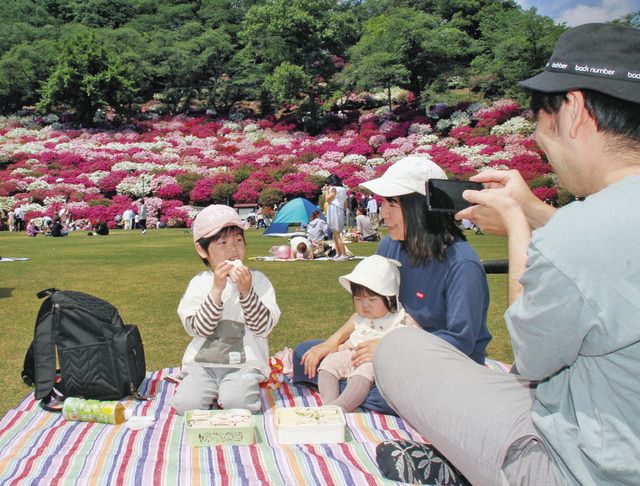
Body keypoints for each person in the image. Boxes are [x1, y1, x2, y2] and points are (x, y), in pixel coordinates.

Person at [374, 23, 640, 485]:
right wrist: (536, 211)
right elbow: (613, 261)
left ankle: (467, 465)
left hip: (581, 468)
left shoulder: (579, 233)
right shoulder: (598, 227)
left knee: (398, 350)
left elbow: (531, 358)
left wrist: (518, 228)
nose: (538, 133)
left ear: (573, 110)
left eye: (540, 111)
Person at [294, 155, 491, 414]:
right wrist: (332, 342)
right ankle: (354, 389)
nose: (383, 214)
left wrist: (390, 350)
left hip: (438, 362)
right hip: (382, 341)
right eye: (382, 203)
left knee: (394, 391)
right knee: (305, 355)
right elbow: (372, 305)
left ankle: (349, 388)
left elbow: (460, 341)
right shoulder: (390, 245)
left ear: (420, 208)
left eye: (391, 204)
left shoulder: (461, 263)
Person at [170, 204, 281, 415]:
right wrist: (217, 290)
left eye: (239, 241)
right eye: (222, 243)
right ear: (202, 250)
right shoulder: (199, 284)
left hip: (245, 364)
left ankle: (229, 391)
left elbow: (263, 327)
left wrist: (247, 292)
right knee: (185, 405)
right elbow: (198, 329)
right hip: (202, 364)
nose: (233, 250)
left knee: (238, 404)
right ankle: (211, 390)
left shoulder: (258, 281)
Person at [317, 255, 418, 412]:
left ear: (390, 298)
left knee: (365, 371)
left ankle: (340, 407)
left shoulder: (400, 320)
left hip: (375, 362)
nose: (365, 306)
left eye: (372, 300)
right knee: (328, 363)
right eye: (358, 300)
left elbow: (415, 340)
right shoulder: (361, 318)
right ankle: (328, 403)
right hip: (353, 353)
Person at [323, 174, 348, 260]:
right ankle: (339, 253)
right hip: (340, 211)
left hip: (334, 210)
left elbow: (327, 199)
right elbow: (345, 205)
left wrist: (326, 190)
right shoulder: (343, 190)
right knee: (335, 235)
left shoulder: (333, 189)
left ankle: (343, 254)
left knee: (336, 235)